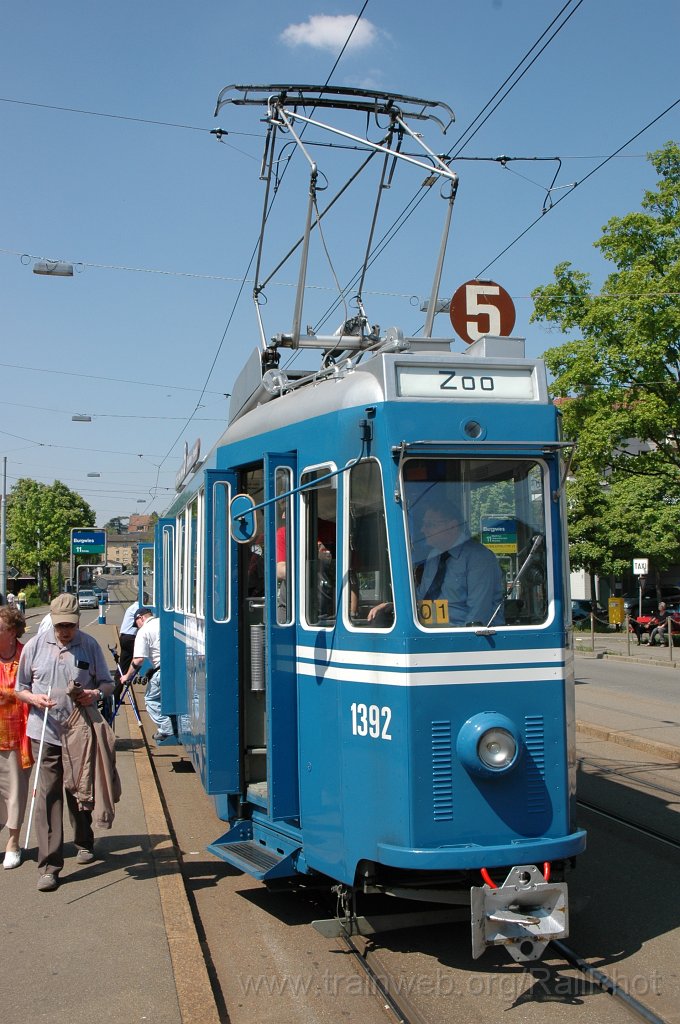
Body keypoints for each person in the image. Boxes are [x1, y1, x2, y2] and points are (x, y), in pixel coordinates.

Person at [15, 593, 114, 892]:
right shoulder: (34, 645)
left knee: (79, 788)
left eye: (69, 625)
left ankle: (84, 842)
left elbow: (108, 684)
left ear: (78, 621)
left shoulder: (89, 645)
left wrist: (93, 695)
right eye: (60, 626)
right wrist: (33, 698)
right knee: (48, 795)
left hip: (79, 732)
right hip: (43, 730)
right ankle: (49, 865)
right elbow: (20, 687)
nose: (64, 631)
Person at [370, 502, 504, 626]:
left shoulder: (478, 557)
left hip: (461, 636)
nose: (423, 530)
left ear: (452, 526)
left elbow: (478, 614)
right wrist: (394, 605)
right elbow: (421, 596)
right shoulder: (434, 556)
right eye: (424, 524)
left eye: (430, 525)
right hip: (429, 630)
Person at [0, 605, 32, 869]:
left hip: (17, 735)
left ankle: (13, 842)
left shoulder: (25, 655)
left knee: (15, 791)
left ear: (11, 632)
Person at [118, 607, 175, 743]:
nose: (136, 627)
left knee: (151, 700)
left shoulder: (144, 631)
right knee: (179, 698)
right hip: (178, 669)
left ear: (141, 618)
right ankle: (183, 726)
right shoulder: (164, 622)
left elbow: (138, 660)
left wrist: (127, 676)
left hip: (162, 671)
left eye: (136, 623)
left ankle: (167, 729)